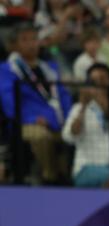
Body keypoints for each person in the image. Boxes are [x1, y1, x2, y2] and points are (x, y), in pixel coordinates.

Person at [0, 23, 72, 184]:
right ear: (13, 45)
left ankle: (67, 176)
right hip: (25, 122)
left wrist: (68, 117)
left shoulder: (50, 68)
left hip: (56, 119)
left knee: (72, 133)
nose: (31, 44)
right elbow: (9, 103)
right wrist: (33, 119)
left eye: (34, 39)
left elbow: (64, 95)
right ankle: (50, 177)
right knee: (41, 136)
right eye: (25, 40)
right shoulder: (6, 70)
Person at [62, 63, 109, 188]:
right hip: (86, 168)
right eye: (93, 81)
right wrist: (83, 106)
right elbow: (69, 136)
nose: (98, 84)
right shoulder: (78, 108)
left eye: (102, 79)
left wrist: (101, 100)